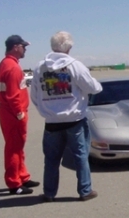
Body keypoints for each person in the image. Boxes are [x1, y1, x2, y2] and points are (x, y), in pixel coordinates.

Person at [30, 31, 103, 202]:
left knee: (51, 160)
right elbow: (93, 87)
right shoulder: (75, 66)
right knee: (80, 156)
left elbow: (34, 95)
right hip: (74, 120)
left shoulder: (40, 68)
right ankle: (85, 191)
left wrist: (46, 110)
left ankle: (49, 193)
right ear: (69, 47)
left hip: (51, 122)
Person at [0, 35, 39, 195]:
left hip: (7, 112)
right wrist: (19, 114)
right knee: (14, 148)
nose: (25, 49)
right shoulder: (13, 67)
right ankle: (14, 184)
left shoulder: (5, 63)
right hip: (13, 113)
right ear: (15, 47)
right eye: (23, 46)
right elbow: (12, 95)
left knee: (18, 147)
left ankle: (22, 176)